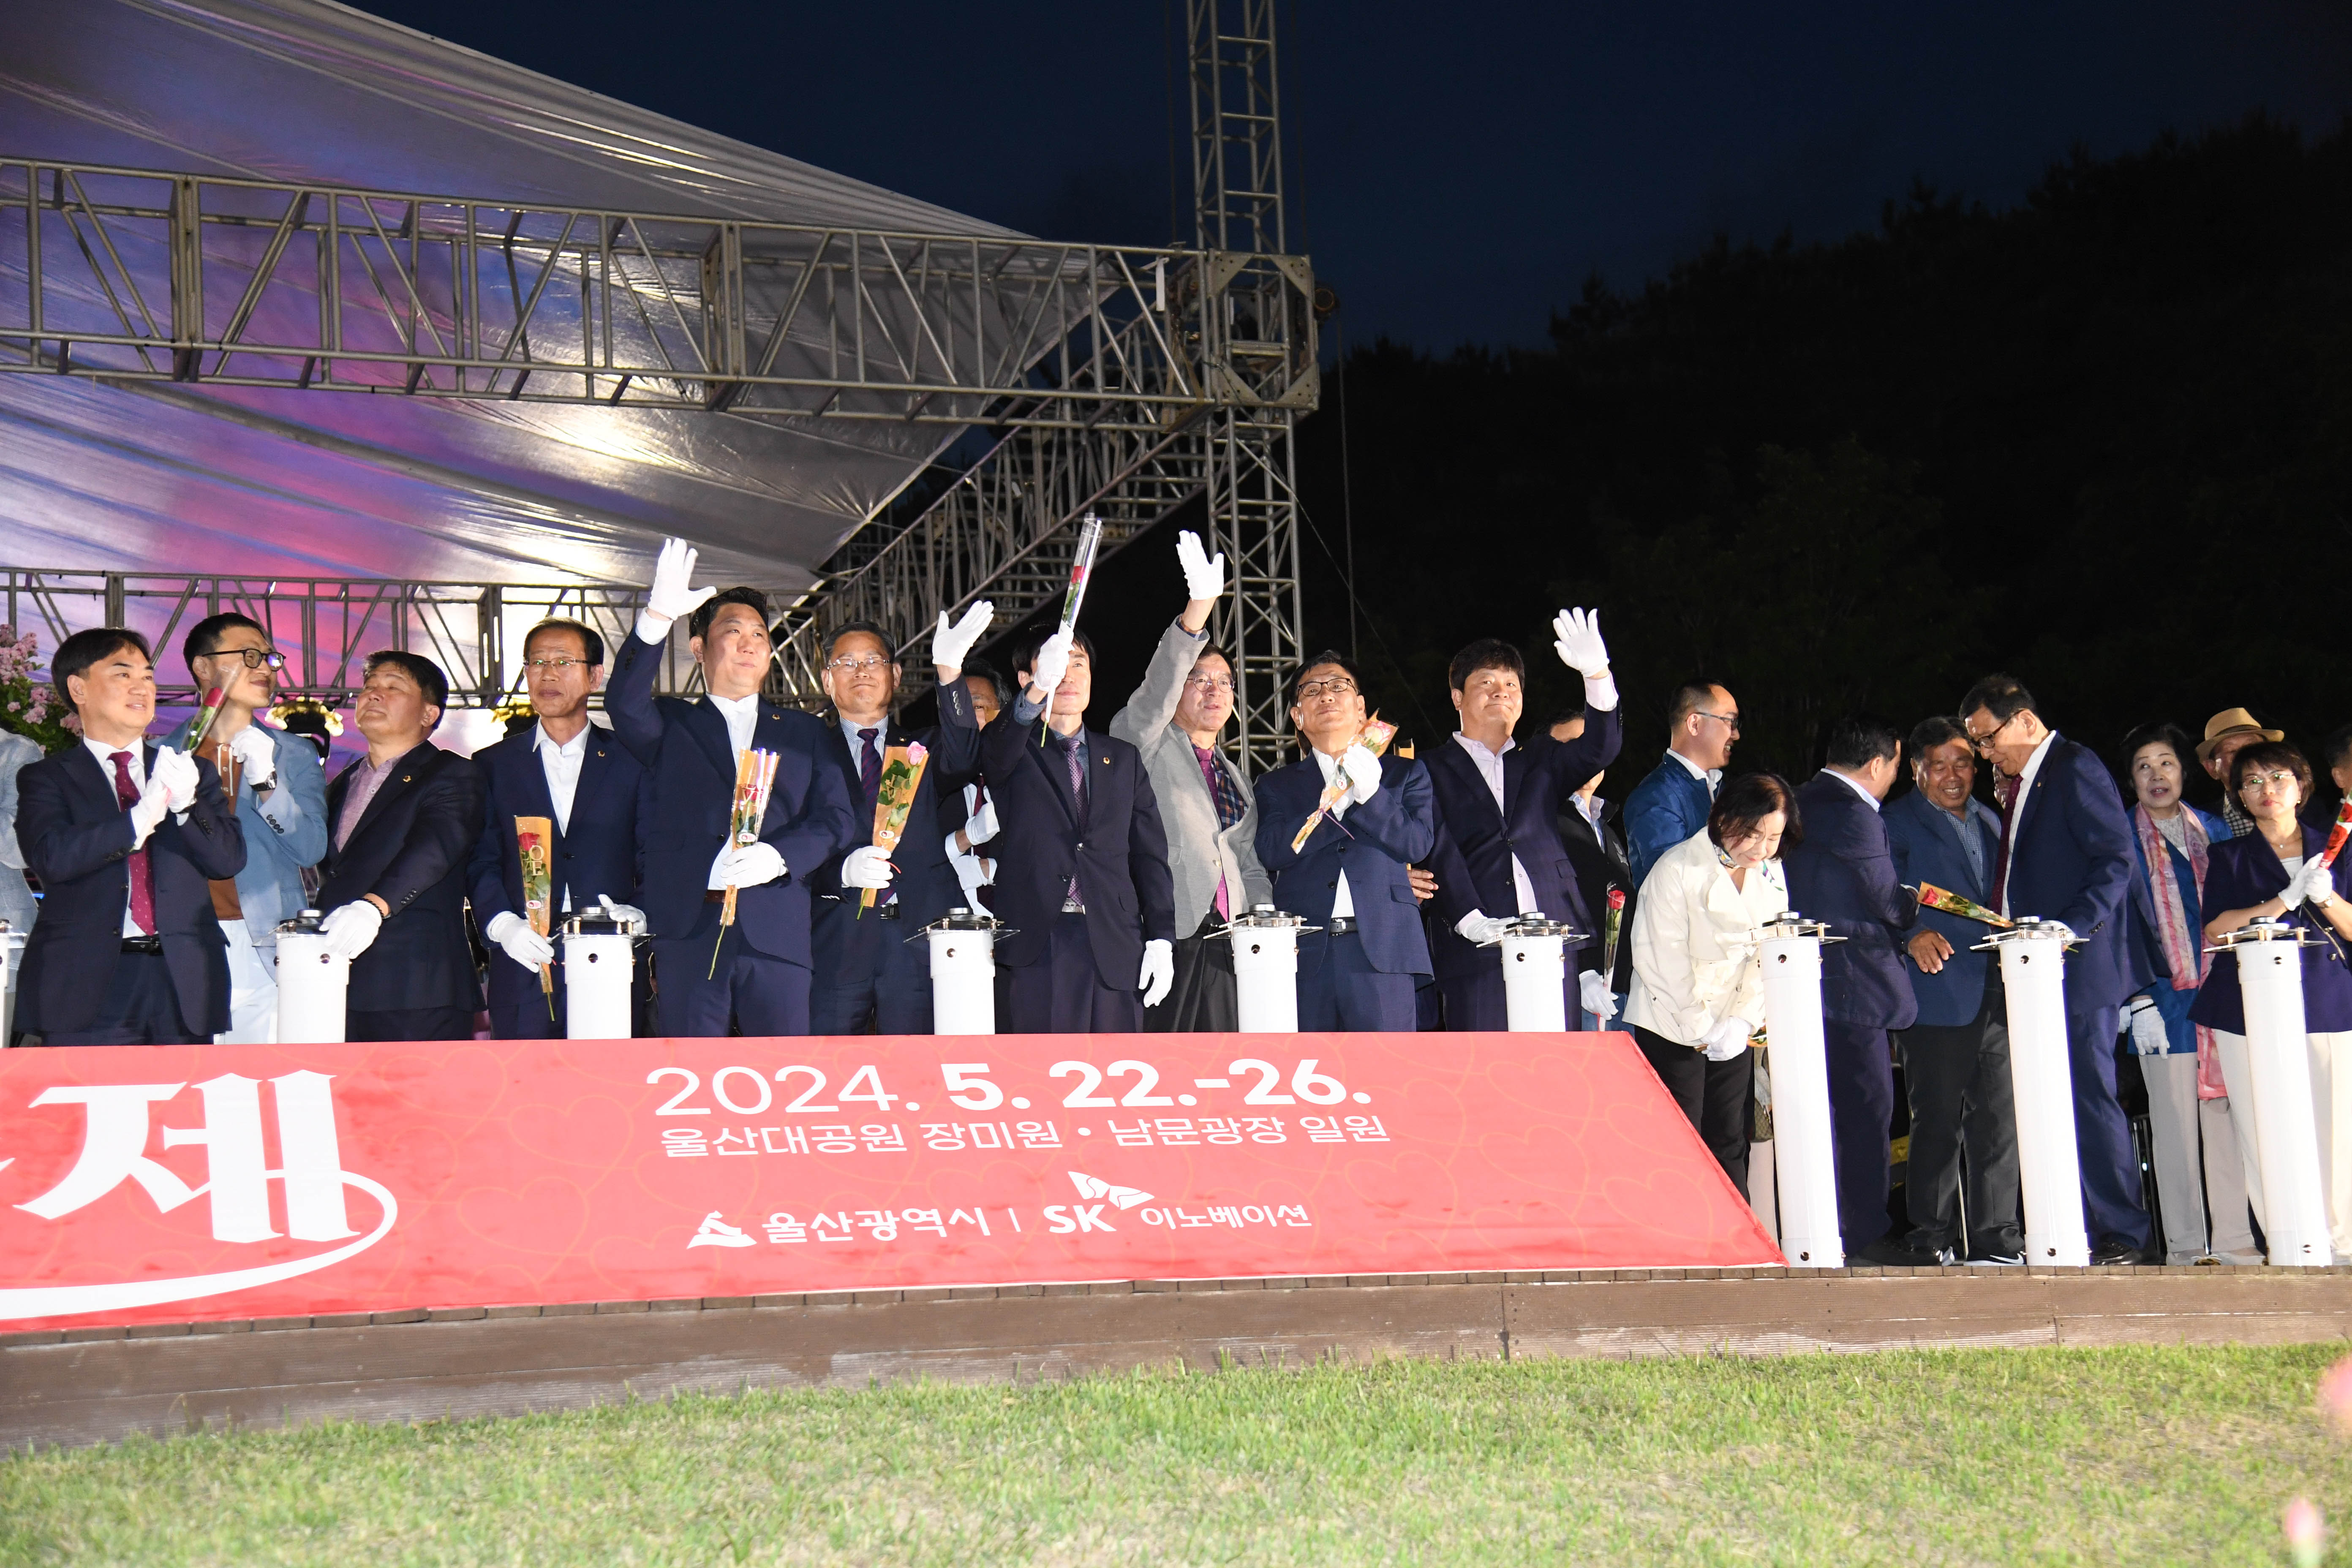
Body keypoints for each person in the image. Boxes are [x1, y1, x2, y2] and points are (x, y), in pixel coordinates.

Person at [606, 539, 859, 1038]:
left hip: (778, 931)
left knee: (785, 1076)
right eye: (733, 631)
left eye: (760, 634)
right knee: (693, 1077)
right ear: (699, 648)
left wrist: (780, 856)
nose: (749, 643)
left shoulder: (804, 732)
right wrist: (656, 619)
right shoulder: (669, 724)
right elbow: (623, 702)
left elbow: (836, 818)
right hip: (690, 929)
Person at [1960, 673, 2151, 1263]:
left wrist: (2069, 929)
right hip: (2030, 969)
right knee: (2050, 1100)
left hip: (2072, 965)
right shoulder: (2025, 784)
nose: (1985, 755)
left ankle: (2124, 1232)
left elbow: (2116, 858)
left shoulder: (2073, 765)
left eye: (1988, 740)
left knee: (2090, 1096)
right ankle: (2069, 1226)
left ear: (2024, 721)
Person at [941, 621, 1176, 1032]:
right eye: (1055, 665)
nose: (1068, 675)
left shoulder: (1122, 759)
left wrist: (1161, 937)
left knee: (1118, 1078)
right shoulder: (1013, 751)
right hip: (1041, 942)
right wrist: (1033, 697)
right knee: (1044, 1081)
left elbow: (1150, 856)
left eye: (1079, 662)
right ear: (1027, 677)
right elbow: (995, 747)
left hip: (1115, 941)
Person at [13, 628, 244, 1045]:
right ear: (79, 688)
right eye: (124, 674)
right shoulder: (47, 778)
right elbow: (52, 858)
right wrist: (137, 820)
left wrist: (188, 805)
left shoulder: (191, 773)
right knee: (92, 1107)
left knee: (181, 1107)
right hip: (87, 983)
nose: (143, 687)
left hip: (183, 981)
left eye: (149, 676)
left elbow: (227, 861)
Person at [2190, 740, 2352, 1258]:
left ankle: (2341, 1244)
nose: (2267, 790)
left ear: (2302, 786)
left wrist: (2326, 896)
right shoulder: (2228, 855)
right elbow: (2216, 931)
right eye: (2253, 782)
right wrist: (2282, 901)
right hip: (2247, 1007)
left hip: (2329, 1000)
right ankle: (2286, 1240)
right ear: (2238, 795)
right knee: (2262, 1127)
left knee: (2335, 1128)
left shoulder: (2337, 846)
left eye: (2278, 777)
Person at [1424, 615, 1622, 1030]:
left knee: (1553, 1079)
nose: (1502, 692)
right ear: (1458, 697)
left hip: (1553, 948)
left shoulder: (1541, 758)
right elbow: (1437, 847)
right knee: (1485, 1080)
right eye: (1487, 683)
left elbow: (1600, 747)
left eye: (1511, 685)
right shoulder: (1428, 769)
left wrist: (1597, 674)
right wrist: (1469, 918)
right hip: (1478, 949)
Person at [1108, 531, 1272, 1030]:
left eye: (1224, 682)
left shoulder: (1237, 778)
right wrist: (1195, 615)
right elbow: (1156, 691)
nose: (1214, 690)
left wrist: (1263, 917)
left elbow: (1248, 861)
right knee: (1167, 1067)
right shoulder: (1146, 743)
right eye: (1200, 679)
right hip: (1167, 933)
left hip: (1230, 942)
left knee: (1225, 1070)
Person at [1785, 716, 1932, 1265]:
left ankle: (1823, 1231)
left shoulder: (1797, 800)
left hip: (1802, 983)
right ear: (1879, 763)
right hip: (1851, 987)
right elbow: (1886, 900)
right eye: (1897, 767)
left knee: (1822, 1115)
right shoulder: (1854, 813)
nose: (1894, 778)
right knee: (1867, 1111)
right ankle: (1865, 1234)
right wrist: (1915, 901)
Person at [465, 619, 654, 1039]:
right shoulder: (492, 765)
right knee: (523, 1090)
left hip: (610, 952)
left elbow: (654, 853)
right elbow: (481, 858)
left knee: (609, 1090)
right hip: (523, 959)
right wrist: (500, 924)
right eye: (536, 662)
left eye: (564, 661)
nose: (547, 673)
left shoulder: (631, 761)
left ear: (595, 676)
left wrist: (641, 911)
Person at [804, 609, 986, 1034]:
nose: (861, 671)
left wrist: (949, 673)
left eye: (873, 660)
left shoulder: (924, 747)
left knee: (918, 1078)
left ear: (897, 675)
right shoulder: (807, 754)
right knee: (829, 1074)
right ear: (828, 680)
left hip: (918, 941)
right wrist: (839, 873)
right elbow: (793, 846)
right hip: (836, 941)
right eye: (846, 663)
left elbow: (964, 757)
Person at [1884, 716, 2025, 1266]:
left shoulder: (1992, 820)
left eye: (1962, 762)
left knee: (1998, 1122)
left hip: (1998, 988)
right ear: (1916, 772)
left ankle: (1996, 1240)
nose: (1952, 775)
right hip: (1938, 990)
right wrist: (1911, 935)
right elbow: (1880, 894)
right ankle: (1930, 1238)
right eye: (1937, 765)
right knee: (1937, 1121)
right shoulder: (1893, 823)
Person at [2116, 721, 2257, 1264]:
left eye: (2167, 763)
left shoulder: (2214, 830)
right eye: (2144, 766)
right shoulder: (2122, 839)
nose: (2158, 775)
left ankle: (2235, 1242)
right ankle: (2183, 1247)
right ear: (2132, 781)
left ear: (2184, 771)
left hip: (2222, 991)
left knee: (2226, 1118)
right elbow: (2120, 920)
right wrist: (2133, 997)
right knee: (2175, 1126)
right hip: (2162, 998)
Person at [160, 613, 329, 1043]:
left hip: (267, 937)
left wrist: (268, 783)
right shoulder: (158, 754)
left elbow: (311, 848)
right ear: (203, 667)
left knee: (261, 1080)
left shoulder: (294, 754)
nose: (267, 668)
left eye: (271, 658)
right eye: (251, 655)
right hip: (183, 938)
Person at [1625, 772, 1797, 1192]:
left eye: (1773, 837)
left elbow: (1771, 948)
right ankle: (1679, 1246)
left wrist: (1742, 1021)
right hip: (1672, 1022)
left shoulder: (1770, 871)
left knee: (1729, 1137)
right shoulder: (1677, 868)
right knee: (1678, 1139)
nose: (1763, 848)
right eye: (1753, 834)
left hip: (1733, 1024)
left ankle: (1734, 1247)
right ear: (1723, 818)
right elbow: (1661, 958)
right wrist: (1701, 1028)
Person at [1255, 651, 1436, 1031]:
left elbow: (1417, 844)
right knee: (1309, 1079)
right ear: (1297, 717)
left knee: (1387, 1080)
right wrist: (1335, 806)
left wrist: (1371, 797)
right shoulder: (1276, 785)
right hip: (1303, 956)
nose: (1327, 696)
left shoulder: (1403, 774)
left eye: (1339, 687)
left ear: (1361, 708)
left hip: (1383, 955)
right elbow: (1271, 849)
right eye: (1312, 690)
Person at [312, 651, 484, 1043]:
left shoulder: (453, 773)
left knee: (422, 1101)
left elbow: (434, 849)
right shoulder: (341, 783)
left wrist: (373, 906)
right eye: (369, 687)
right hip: (336, 978)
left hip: (417, 984)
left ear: (428, 714)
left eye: (393, 687)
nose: (374, 695)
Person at [1552, 706, 1633, 1030]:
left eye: (1593, 745)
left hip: (1621, 988)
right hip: (1573, 985)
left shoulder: (1608, 827)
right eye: (1574, 746)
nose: (1588, 756)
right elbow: (1551, 899)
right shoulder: (1543, 822)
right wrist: (1581, 969)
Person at [1624, 680, 1738, 890]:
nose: (1736, 734)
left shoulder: (1726, 791)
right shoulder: (1656, 796)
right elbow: (1674, 883)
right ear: (1694, 724)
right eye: (1730, 722)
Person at [946, 660, 1007, 911]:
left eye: (979, 706)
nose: (968, 717)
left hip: (1019, 927)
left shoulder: (1031, 777)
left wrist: (989, 869)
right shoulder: (928, 779)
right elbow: (909, 857)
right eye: (958, 709)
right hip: (947, 930)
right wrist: (965, 838)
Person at [2199, 708, 2283, 840]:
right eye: (2232, 751)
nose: (2245, 756)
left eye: (2252, 747)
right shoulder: (2197, 823)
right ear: (2212, 768)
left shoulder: (2309, 812)